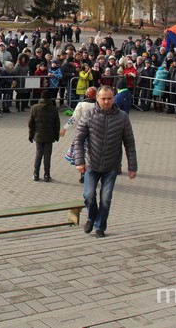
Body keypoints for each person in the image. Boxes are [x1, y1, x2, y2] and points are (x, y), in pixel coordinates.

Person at [73, 85, 138, 238]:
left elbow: (129, 143)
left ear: (114, 98)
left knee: (106, 199)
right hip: (92, 164)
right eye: (103, 98)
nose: (106, 101)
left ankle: (100, 226)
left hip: (112, 165)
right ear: (97, 98)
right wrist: (79, 161)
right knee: (89, 195)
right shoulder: (88, 115)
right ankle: (91, 217)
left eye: (109, 98)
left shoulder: (122, 117)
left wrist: (132, 166)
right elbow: (78, 139)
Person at [28, 90, 60, 182]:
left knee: (38, 154)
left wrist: (31, 134)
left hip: (38, 135)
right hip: (49, 136)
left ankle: (36, 174)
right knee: (47, 156)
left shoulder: (34, 108)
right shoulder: (54, 109)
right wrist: (56, 135)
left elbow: (31, 123)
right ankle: (47, 175)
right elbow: (57, 124)